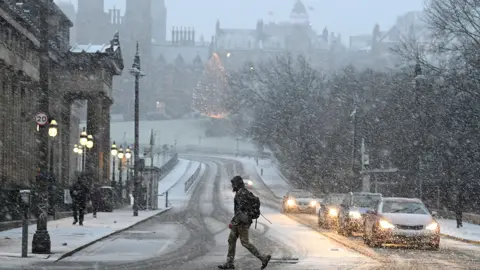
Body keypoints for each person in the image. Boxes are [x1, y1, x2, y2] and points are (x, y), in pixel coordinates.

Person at [218, 176, 271, 270]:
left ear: (237, 184)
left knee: (245, 242)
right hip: (239, 221)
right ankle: (229, 263)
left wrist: (235, 221)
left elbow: (241, 210)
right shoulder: (243, 192)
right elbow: (241, 210)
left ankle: (263, 258)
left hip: (242, 222)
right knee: (231, 240)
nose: (232, 186)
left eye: (233, 184)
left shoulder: (241, 193)